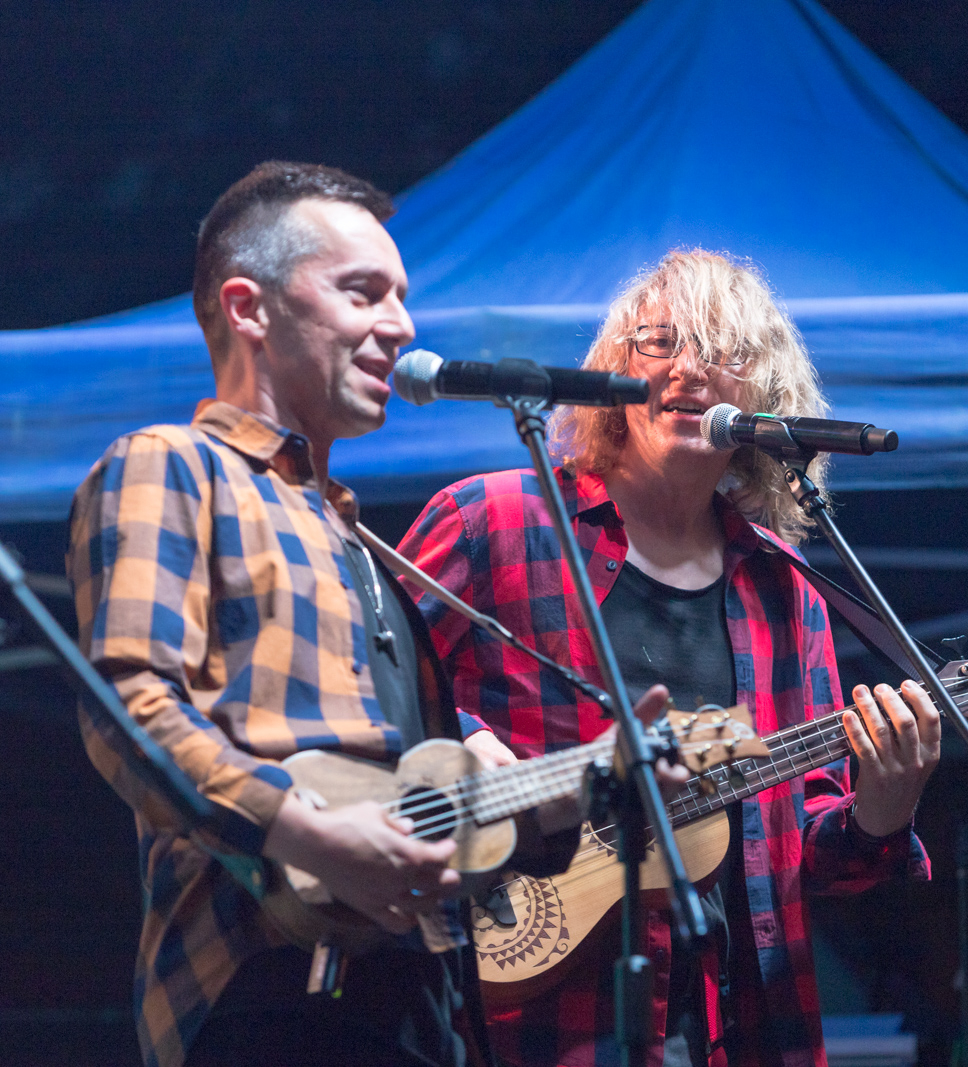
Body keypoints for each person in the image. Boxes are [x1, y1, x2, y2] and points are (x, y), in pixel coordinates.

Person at [66, 161, 663, 1067]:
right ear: (248, 308)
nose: (403, 324)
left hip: (418, 1002)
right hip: (255, 993)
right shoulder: (172, 465)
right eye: (363, 292)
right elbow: (126, 709)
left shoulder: (360, 541)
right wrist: (306, 831)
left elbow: (417, 817)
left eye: (403, 296)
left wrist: (560, 795)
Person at [398, 249, 942, 1067]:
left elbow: (801, 856)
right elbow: (367, 688)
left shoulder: (784, 587)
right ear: (615, 373)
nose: (690, 368)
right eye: (661, 342)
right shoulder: (492, 521)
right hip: (523, 1018)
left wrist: (885, 807)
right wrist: (474, 742)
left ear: (763, 393)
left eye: (723, 349)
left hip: (728, 1026)